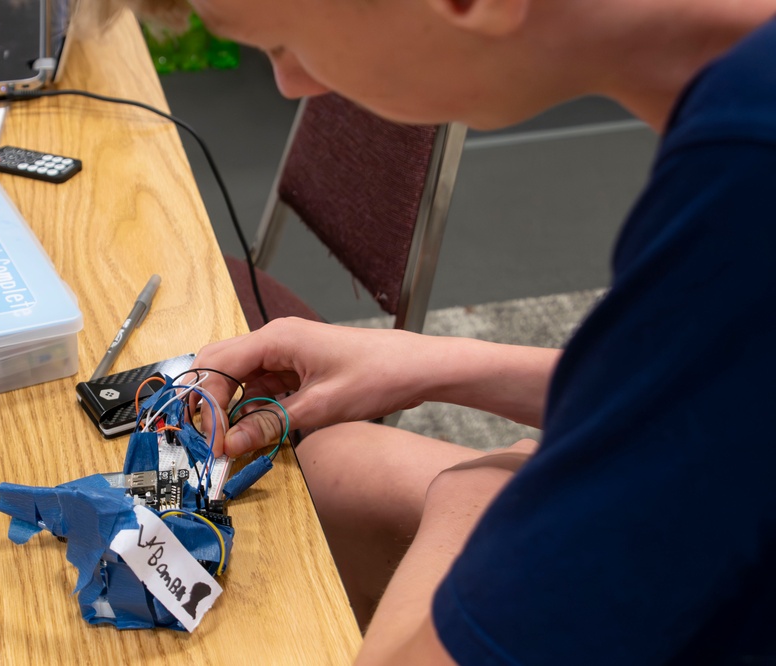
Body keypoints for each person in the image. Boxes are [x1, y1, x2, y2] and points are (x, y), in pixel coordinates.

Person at [84, 0, 776, 663]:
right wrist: (432, 363)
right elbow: (710, 388)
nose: (290, 85)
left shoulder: (744, 185)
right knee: (341, 466)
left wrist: (467, 504)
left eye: (282, 46)